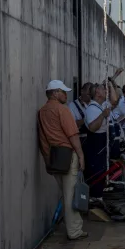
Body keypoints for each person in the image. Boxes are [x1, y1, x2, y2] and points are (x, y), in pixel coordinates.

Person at [37, 80, 87, 240]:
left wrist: (47, 160)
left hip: (54, 156)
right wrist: (81, 155)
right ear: (55, 93)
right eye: (63, 91)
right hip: (67, 154)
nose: (66, 94)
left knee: (65, 194)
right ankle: (74, 231)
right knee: (70, 195)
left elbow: (43, 139)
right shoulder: (62, 110)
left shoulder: (42, 112)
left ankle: (72, 227)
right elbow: (72, 134)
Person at [83, 79, 120, 199]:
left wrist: (110, 83)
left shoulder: (101, 105)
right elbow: (92, 128)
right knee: (96, 172)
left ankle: (98, 197)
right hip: (95, 144)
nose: (106, 91)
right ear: (98, 93)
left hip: (103, 142)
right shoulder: (92, 109)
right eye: (104, 89)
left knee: (102, 171)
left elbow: (114, 100)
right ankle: (95, 200)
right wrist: (103, 115)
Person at [68, 82, 94, 147]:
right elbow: (71, 125)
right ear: (82, 91)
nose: (90, 97)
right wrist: (86, 119)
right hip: (81, 142)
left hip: (94, 140)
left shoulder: (94, 104)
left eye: (92, 95)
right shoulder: (72, 106)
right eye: (88, 94)